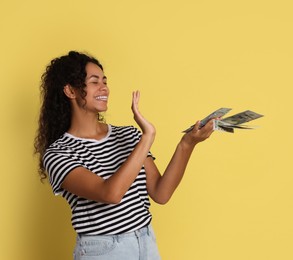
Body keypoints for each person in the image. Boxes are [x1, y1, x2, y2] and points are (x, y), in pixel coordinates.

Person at [34, 51, 215, 260]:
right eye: (94, 82)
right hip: (103, 250)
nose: (104, 87)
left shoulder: (127, 135)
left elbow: (161, 193)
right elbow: (110, 194)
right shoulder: (58, 153)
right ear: (70, 90)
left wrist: (187, 144)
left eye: (104, 81)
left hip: (146, 242)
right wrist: (148, 137)